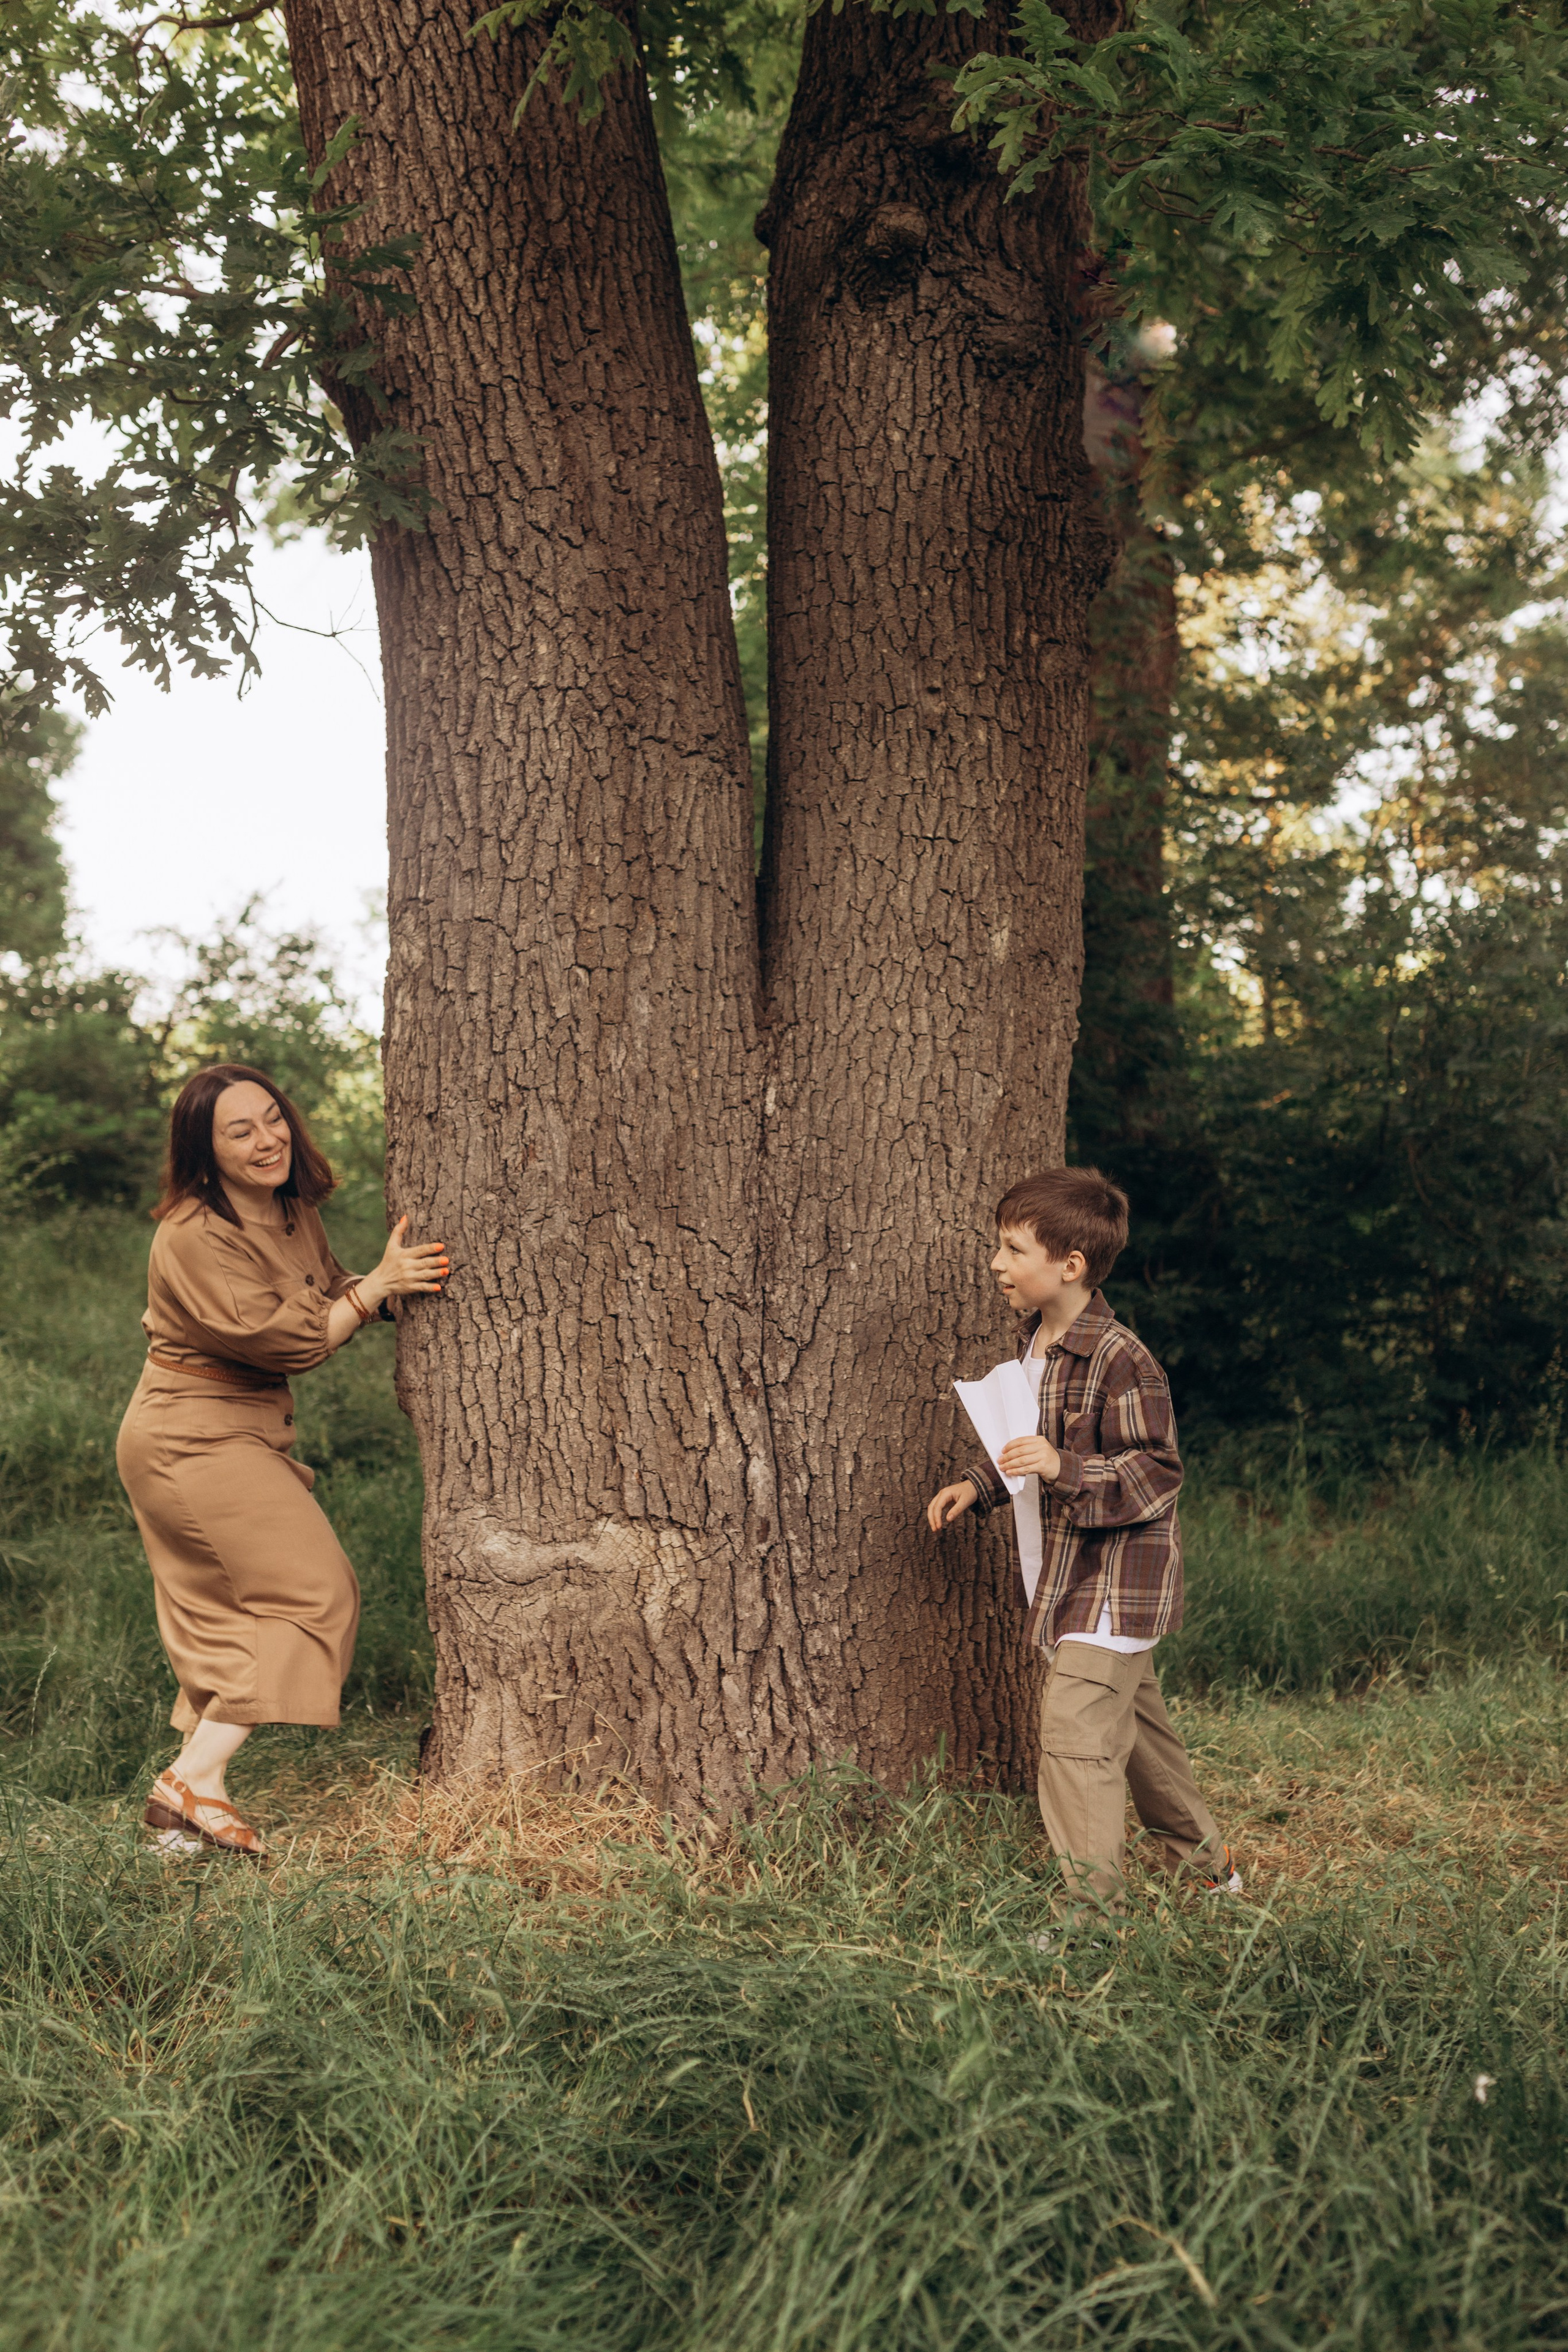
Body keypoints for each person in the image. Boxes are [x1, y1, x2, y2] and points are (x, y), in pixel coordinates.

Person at [116, 1063, 448, 1860]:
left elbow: (330, 1290)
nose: (268, 1139)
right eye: (241, 1130)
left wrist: (382, 1287)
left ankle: (184, 1826)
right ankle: (189, 1784)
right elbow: (291, 1340)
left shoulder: (292, 1208)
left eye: (273, 1119)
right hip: (188, 1434)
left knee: (236, 1617)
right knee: (317, 1593)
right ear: (205, 1148)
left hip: (244, 1427)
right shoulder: (192, 1234)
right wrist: (373, 1292)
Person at [926, 1166, 1237, 1924]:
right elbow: (1031, 1446)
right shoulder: (1034, 1344)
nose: (997, 1264)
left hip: (1113, 1583)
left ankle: (1089, 1923)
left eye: (1012, 1249)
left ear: (1069, 1265)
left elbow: (1156, 1472)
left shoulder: (1119, 1356)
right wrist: (982, 1482)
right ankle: (1207, 1871)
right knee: (1140, 1737)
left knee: (1073, 1736)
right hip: (1064, 1577)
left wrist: (1062, 1468)